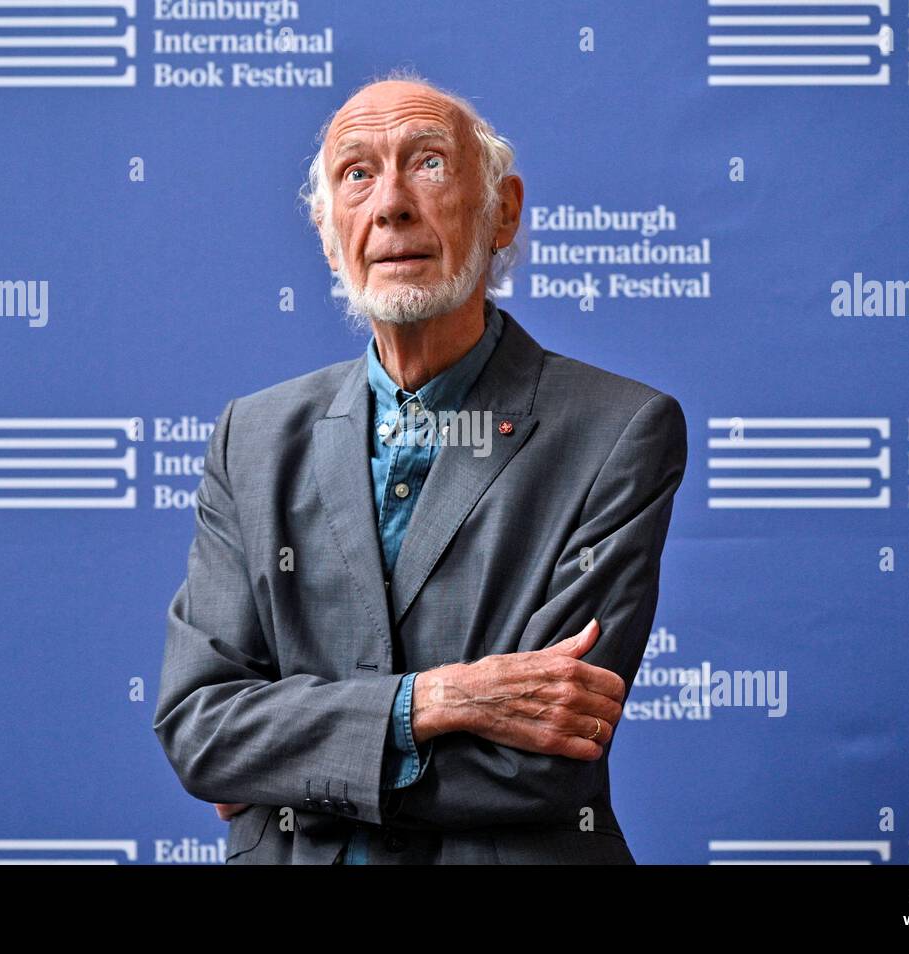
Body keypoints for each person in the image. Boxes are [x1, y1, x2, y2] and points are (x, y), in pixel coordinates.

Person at [152, 70, 687, 864]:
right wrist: (434, 702)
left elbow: (540, 760)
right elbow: (202, 730)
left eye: (428, 162)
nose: (391, 203)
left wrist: (292, 765)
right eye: (357, 173)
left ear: (501, 212)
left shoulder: (618, 430)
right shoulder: (252, 436)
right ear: (331, 231)